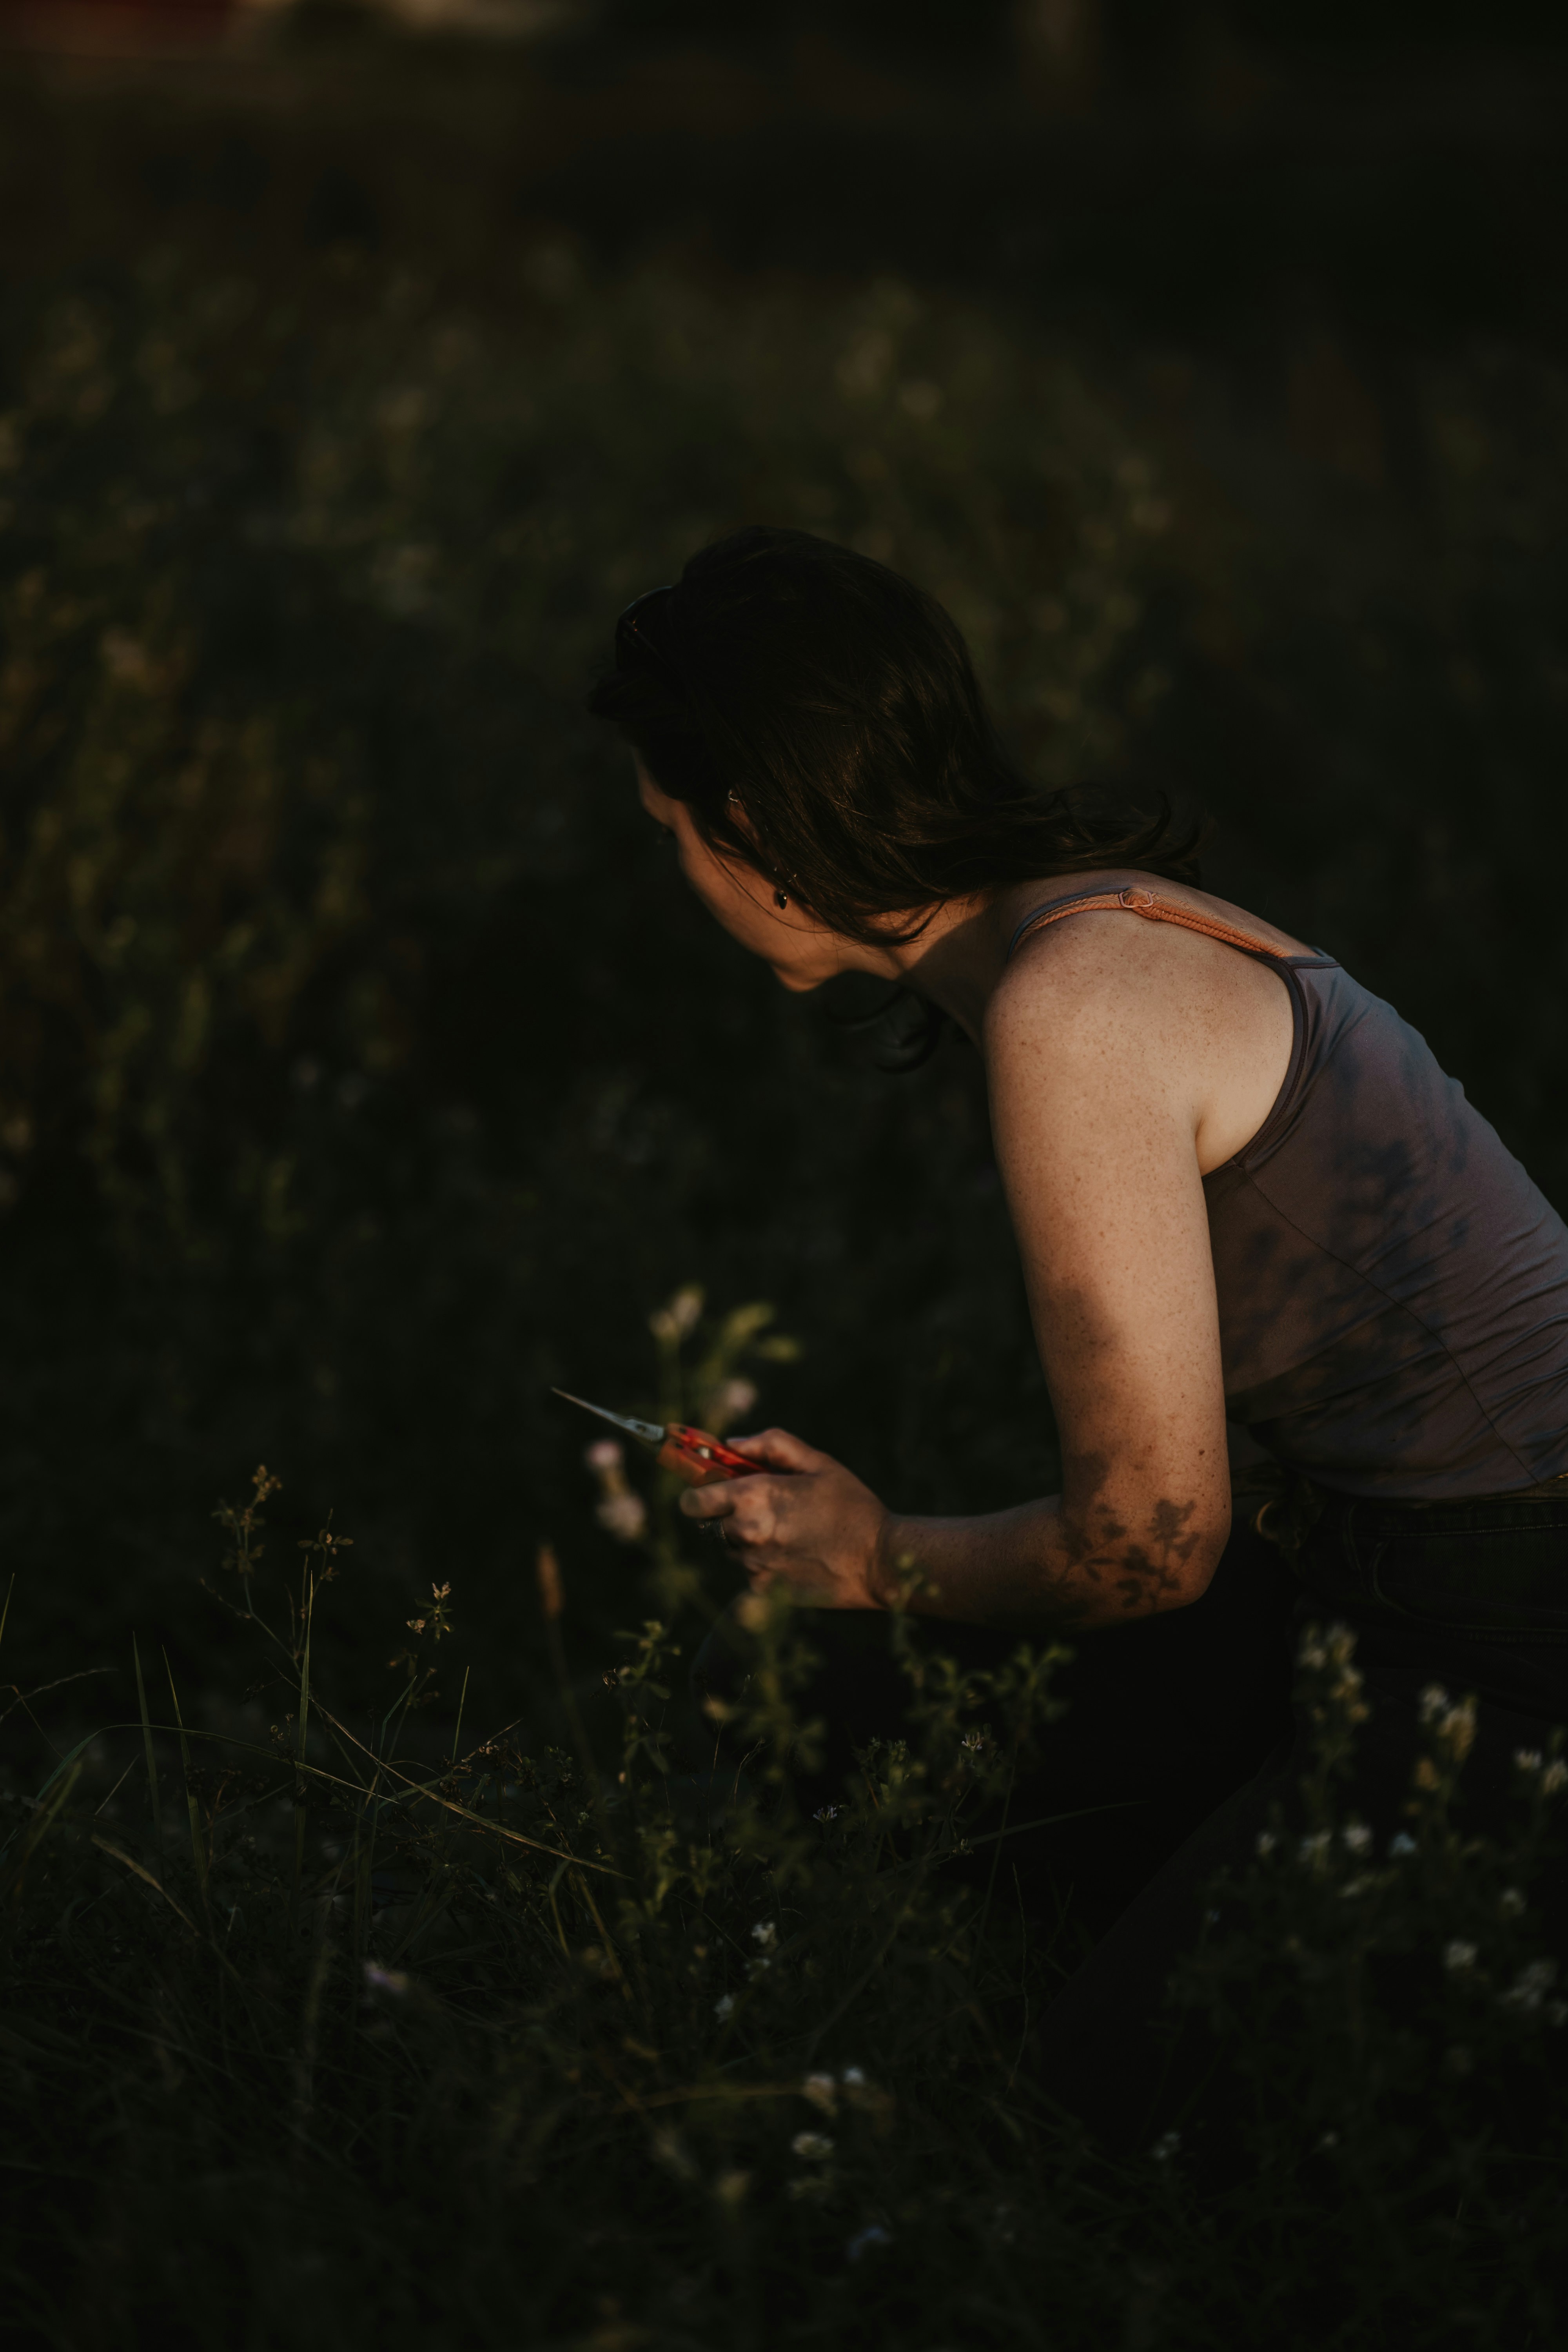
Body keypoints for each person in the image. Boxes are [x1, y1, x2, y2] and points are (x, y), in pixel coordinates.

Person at [587, 524, 1568, 2149]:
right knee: (781, 1694)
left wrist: (878, 1552)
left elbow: (1146, 1548)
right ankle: (1255, 1850)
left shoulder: (1075, 1011)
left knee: (1104, 2126)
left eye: (667, 829)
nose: (674, 872)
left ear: (752, 828)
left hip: (1513, 1621)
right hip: (1352, 1571)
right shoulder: (1091, 929)